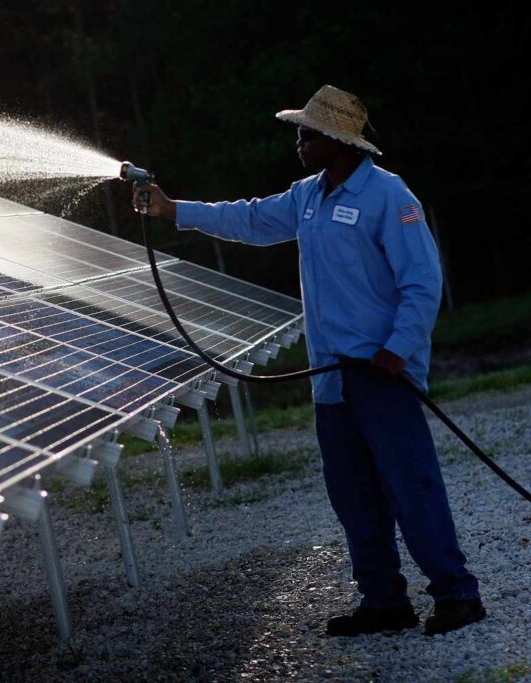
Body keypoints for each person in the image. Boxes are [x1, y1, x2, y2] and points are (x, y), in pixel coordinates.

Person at [134, 84, 484, 637]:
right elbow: (249, 219)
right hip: (332, 380)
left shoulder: (389, 196)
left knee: (410, 486)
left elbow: (422, 283)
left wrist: (398, 349)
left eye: (307, 134)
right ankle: (384, 602)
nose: (298, 142)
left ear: (337, 141)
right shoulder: (309, 196)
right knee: (352, 495)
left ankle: (458, 595)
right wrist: (174, 210)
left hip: (381, 374)